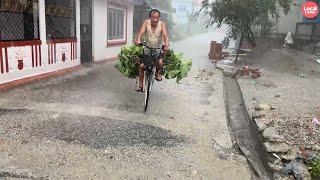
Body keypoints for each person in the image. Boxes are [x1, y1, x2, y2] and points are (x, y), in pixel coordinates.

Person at [135, 8, 169, 92]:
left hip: (157, 49)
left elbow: (165, 35)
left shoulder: (162, 24)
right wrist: (139, 40)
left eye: (157, 18)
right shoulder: (146, 22)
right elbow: (141, 32)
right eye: (153, 17)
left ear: (159, 18)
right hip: (147, 49)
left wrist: (166, 45)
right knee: (142, 67)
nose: (155, 20)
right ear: (150, 17)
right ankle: (140, 85)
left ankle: (157, 73)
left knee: (160, 62)